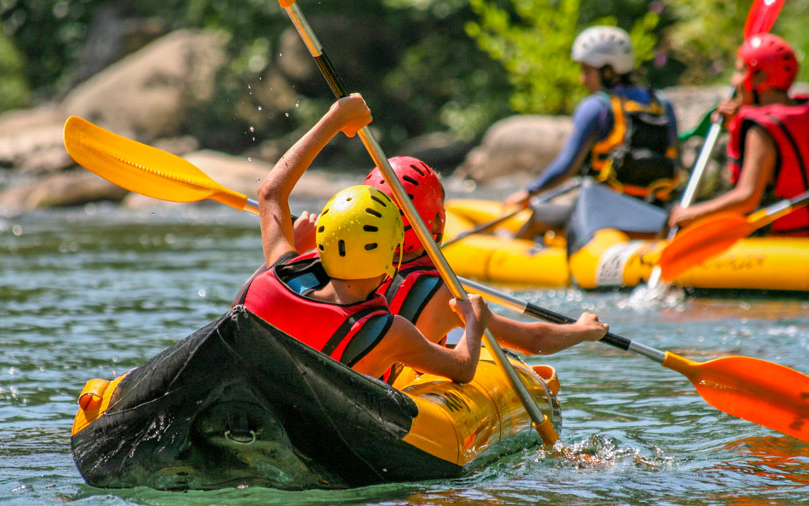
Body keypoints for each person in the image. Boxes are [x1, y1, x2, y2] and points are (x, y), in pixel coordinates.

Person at [233, 94, 491, 383]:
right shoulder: (390, 332)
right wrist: (473, 324)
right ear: (390, 259)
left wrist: (333, 121)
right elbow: (463, 367)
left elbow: (270, 192)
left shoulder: (270, 279)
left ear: (322, 244)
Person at [363, 156, 609, 380]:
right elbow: (534, 341)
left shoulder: (345, 268)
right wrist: (582, 329)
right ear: (438, 220)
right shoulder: (445, 296)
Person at [505, 26, 680, 236]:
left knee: (538, 219)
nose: (582, 79)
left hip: (603, 214)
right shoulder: (661, 103)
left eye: (587, 71)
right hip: (656, 214)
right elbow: (675, 158)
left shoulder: (596, 107)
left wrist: (529, 192)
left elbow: (567, 166)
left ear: (607, 71)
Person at [669, 33, 808, 236]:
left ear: (760, 77)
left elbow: (747, 198)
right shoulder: (802, 110)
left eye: (741, 70)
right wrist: (735, 122)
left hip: (781, 241)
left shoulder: (761, 129)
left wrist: (692, 214)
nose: (734, 80)